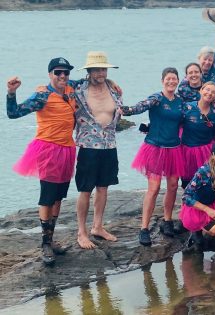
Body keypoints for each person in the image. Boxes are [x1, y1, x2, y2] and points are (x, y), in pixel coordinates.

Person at [6, 57, 77, 265]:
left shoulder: (71, 88)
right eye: (58, 72)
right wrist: (11, 93)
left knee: (58, 197)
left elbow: (91, 79)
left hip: (68, 150)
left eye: (66, 72)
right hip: (48, 150)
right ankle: (45, 244)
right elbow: (13, 113)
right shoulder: (42, 95)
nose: (62, 76)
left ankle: (51, 239)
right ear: (50, 74)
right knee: (47, 197)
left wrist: (110, 84)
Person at [121, 67, 185, 246]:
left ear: (178, 81)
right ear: (162, 80)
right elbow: (142, 106)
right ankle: (144, 228)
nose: (171, 81)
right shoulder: (156, 98)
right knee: (154, 187)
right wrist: (126, 110)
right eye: (168, 79)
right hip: (155, 147)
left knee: (173, 185)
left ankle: (167, 220)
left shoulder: (181, 102)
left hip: (173, 148)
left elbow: (188, 119)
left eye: (174, 79)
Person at [72, 51, 122, 249]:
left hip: (109, 145)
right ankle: (81, 232)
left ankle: (98, 227)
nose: (101, 73)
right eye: (97, 69)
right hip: (88, 146)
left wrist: (112, 81)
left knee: (103, 187)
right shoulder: (77, 88)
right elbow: (58, 85)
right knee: (85, 189)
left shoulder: (113, 89)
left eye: (104, 69)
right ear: (89, 71)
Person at [180, 81, 215, 189]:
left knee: (208, 180)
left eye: (213, 92)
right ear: (201, 90)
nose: (209, 93)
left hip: (205, 150)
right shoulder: (187, 107)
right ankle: (189, 204)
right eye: (207, 89)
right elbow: (173, 122)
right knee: (187, 183)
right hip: (187, 150)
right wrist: (152, 127)